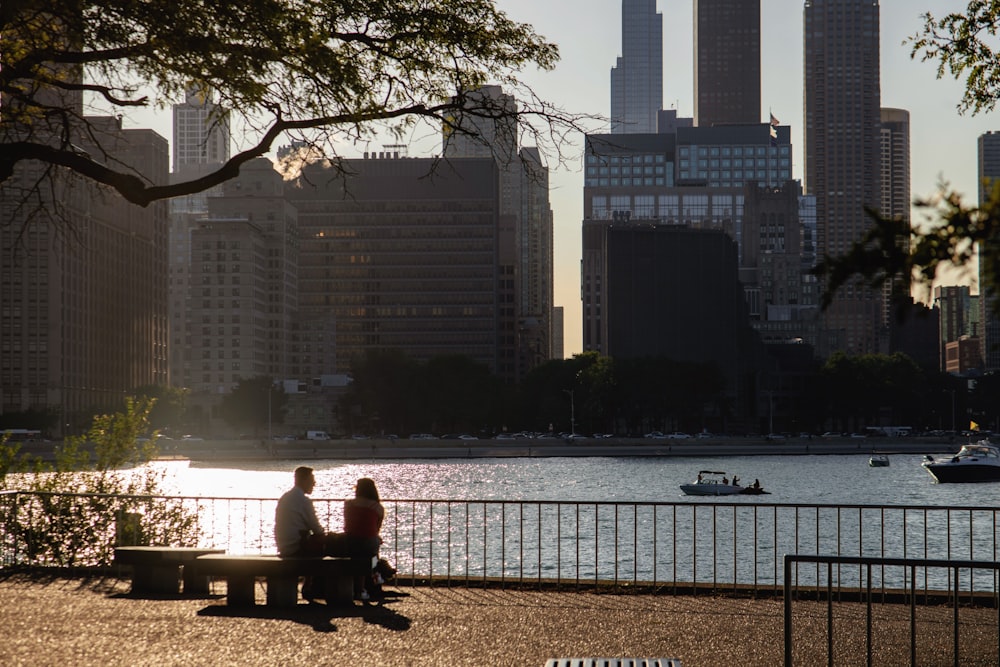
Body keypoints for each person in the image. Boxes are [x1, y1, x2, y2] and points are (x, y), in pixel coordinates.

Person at [275, 466, 327, 600]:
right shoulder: (304, 501)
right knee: (326, 544)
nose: (314, 483)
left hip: (283, 545)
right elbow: (316, 527)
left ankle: (311, 584)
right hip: (297, 546)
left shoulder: (285, 498)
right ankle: (312, 585)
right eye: (311, 480)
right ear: (303, 480)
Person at [344, 477, 385, 601]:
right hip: (368, 542)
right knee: (373, 557)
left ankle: (362, 587)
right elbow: (376, 529)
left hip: (350, 541)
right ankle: (375, 582)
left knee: (358, 556)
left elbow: (347, 524)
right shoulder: (377, 507)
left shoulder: (348, 504)